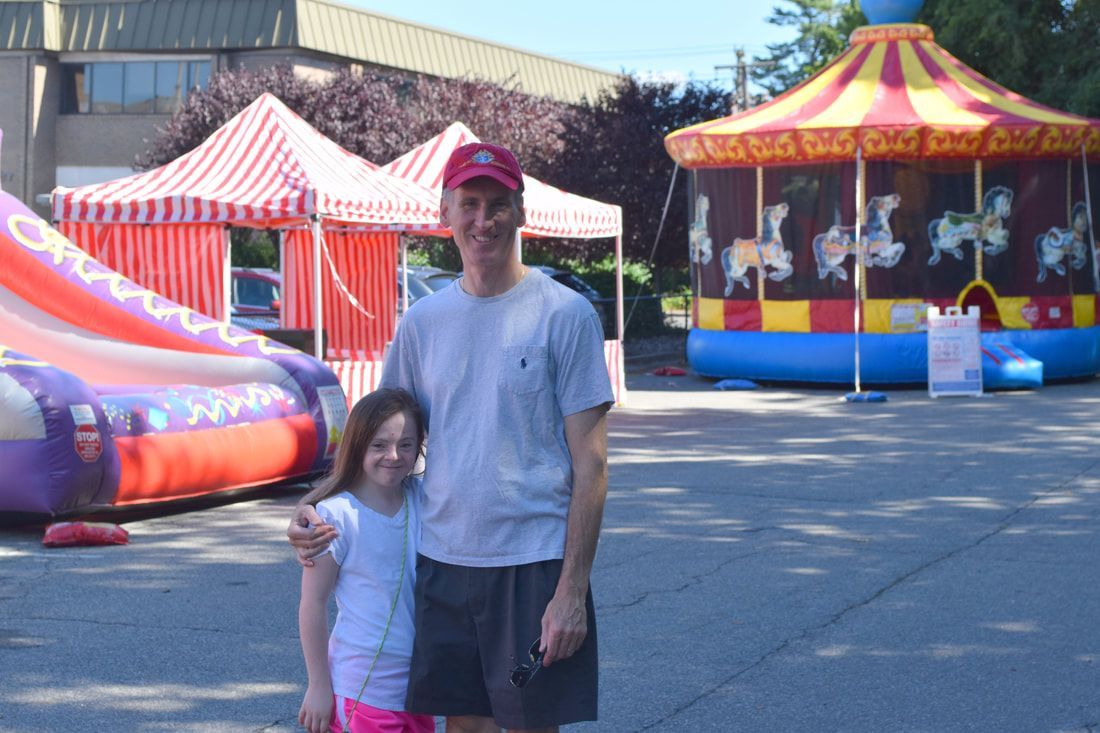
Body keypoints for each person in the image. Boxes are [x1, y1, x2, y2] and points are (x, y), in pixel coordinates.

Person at [290, 142, 613, 732]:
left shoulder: (565, 316)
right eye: (468, 203)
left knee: (529, 725)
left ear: (521, 212)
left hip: (531, 564)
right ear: (446, 212)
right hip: (442, 564)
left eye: (496, 204)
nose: (481, 220)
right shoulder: (423, 323)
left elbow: (591, 468)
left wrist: (571, 591)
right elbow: (379, 443)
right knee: (464, 726)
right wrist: (313, 508)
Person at [297, 388, 435, 733]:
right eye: (379, 445)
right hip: (362, 690)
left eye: (406, 444)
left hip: (418, 689)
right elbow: (312, 604)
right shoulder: (335, 515)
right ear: (357, 444)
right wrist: (318, 685)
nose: (393, 455)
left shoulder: (424, 498)